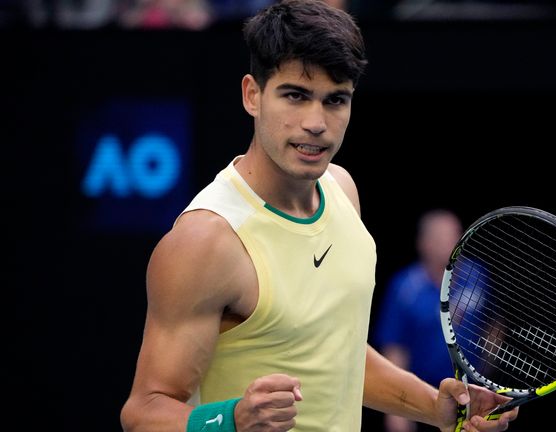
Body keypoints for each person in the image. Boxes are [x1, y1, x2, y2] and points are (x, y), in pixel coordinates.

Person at [119, 2, 518, 432]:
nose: (316, 123)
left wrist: (433, 406)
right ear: (252, 94)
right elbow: (144, 413)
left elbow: (333, 354)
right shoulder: (207, 240)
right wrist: (229, 421)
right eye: (296, 95)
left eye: (335, 100)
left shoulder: (343, 191)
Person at [374, 209, 463, 432]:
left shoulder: (479, 278)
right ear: (424, 244)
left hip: (472, 396)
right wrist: (396, 410)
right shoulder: (403, 287)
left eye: (455, 235)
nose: (451, 242)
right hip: (422, 399)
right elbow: (394, 349)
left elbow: (495, 325)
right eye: (442, 237)